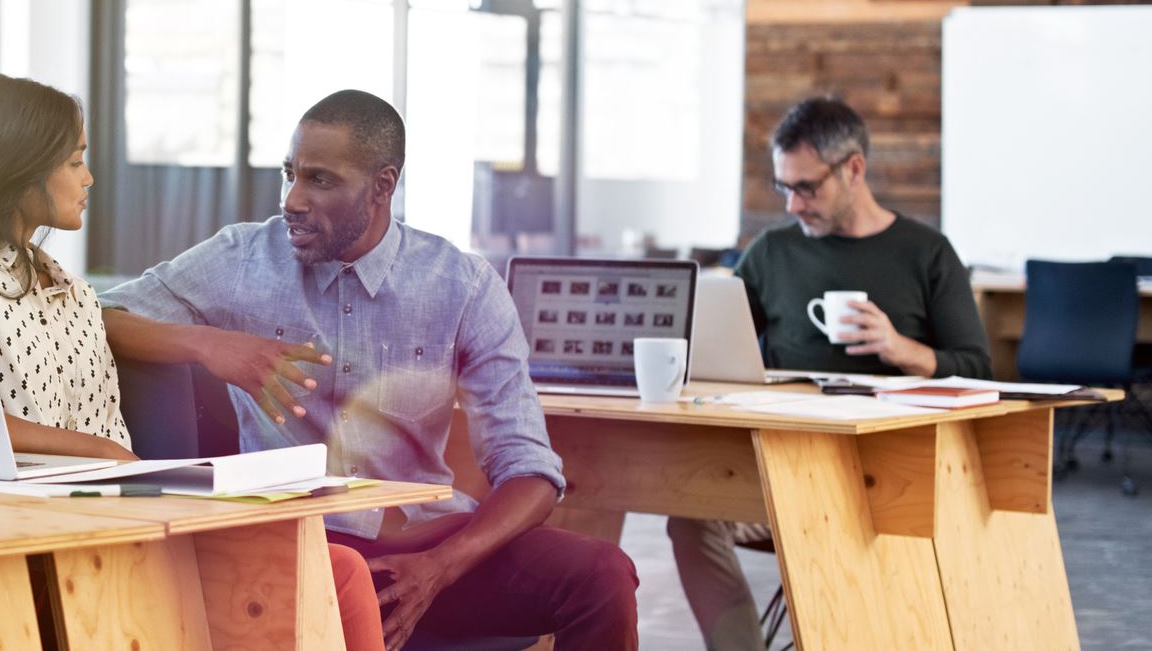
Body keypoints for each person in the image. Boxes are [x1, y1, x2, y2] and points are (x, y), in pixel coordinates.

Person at [99, 90, 639, 651]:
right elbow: (99, 314)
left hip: (430, 545)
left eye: (320, 180)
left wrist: (440, 568)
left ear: (383, 185)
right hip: (301, 545)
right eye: (290, 175)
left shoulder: (464, 286)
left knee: (601, 573)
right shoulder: (242, 258)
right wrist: (211, 345)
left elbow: (530, 470)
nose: (292, 199)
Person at [0, 74, 386, 651]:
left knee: (340, 568)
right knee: (335, 573)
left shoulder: (73, 295)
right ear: (20, 164)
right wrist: (105, 456)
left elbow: (107, 436)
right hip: (10, 530)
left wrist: (133, 473)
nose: (89, 178)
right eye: (75, 160)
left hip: (106, 517)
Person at [667, 96, 991, 651]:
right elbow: (718, 343)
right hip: (780, 468)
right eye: (783, 187)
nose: (793, 204)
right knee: (691, 518)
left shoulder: (928, 253)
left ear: (854, 170)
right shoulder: (773, 251)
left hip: (887, 479)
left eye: (807, 187)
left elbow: (978, 370)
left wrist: (903, 350)